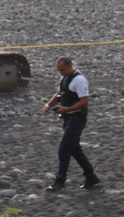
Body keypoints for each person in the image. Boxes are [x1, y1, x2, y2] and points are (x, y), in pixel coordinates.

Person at [42, 56, 101, 192]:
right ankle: (91, 176)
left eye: (63, 69)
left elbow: (85, 101)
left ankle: (60, 180)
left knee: (64, 148)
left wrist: (67, 109)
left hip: (76, 118)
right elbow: (59, 94)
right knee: (74, 148)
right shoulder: (64, 79)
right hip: (68, 118)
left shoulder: (79, 80)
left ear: (70, 66)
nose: (60, 72)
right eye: (59, 70)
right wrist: (49, 104)